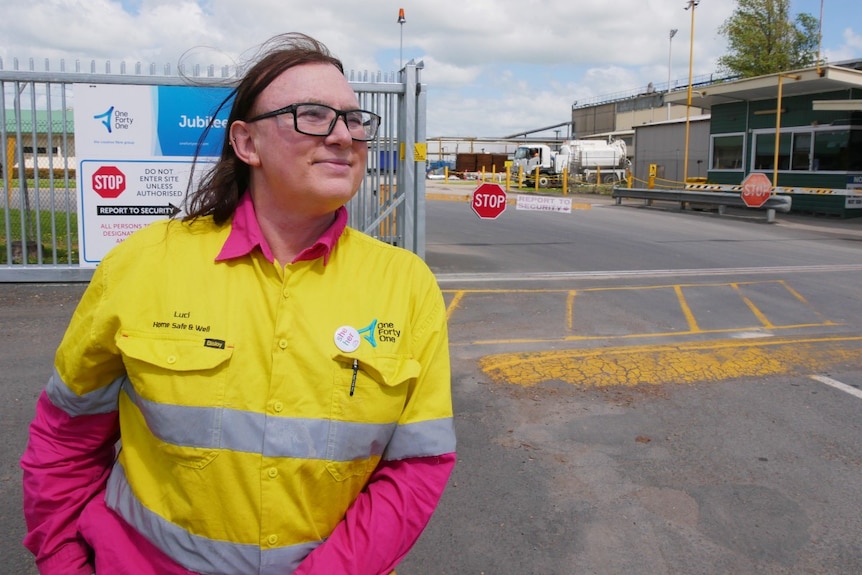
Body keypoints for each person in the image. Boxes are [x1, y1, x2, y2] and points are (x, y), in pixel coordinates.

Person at [21, 32, 456, 575]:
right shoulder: (143, 264)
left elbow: (419, 463)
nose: (344, 135)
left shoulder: (406, 284)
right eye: (313, 115)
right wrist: (62, 557)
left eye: (354, 119)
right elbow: (66, 435)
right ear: (246, 143)